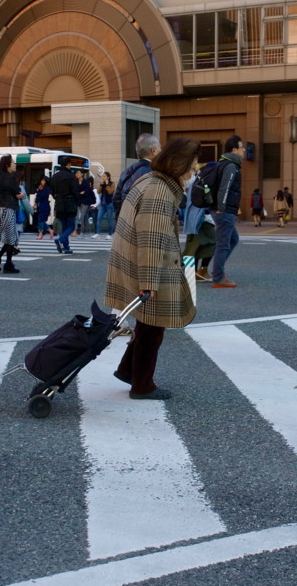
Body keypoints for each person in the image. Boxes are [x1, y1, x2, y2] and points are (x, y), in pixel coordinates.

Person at [105, 137, 199, 400]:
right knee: (153, 327)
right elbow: (151, 238)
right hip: (146, 268)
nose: (192, 174)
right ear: (179, 165)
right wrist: (148, 282)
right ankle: (142, 385)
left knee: (148, 324)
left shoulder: (154, 181)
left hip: (135, 262)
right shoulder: (160, 190)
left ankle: (128, 371)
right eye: (191, 168)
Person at [210, 134, 244, 288]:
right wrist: (222, 209)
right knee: (223, 244)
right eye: (241, 148)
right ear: (234, 149)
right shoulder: (230, 166)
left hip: (225, 210)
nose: (243, 151)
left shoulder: (224, 164)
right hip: (223, 211)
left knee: (233, 240)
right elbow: (225, 188)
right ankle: (218, 276)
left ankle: (218, 270)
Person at [0, 154, 25, 273]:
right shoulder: (9, 177)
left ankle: (1, 260)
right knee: (11, 238)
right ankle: (4, 263)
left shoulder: (2, 176)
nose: (15, 164)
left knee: (11, 238)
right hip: (7, 208)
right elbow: (18, 192)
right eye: (13, 162)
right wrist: (22, 195)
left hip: (1, 208)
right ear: (8, 165)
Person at [113, 133, 160, 215]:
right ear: (154, 151)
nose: (161, 151)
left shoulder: (126, 172)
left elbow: (116, 199)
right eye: (160, 148)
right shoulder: (154, 173)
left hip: (125, 221)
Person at [184, 169, 216, 281]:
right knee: (208, 244)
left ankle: (193, 272)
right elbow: (209, 201)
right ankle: (196, 272)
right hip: (203, 218)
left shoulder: (196, 180)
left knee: (194, 246)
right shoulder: (202, 182)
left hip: (193, 218)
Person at [51, 161, 79, 254]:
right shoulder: (71, 176)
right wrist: (77, 201)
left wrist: (57, 197)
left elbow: (52, 191)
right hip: (70, 203)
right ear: (68, 164)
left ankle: (66, 247)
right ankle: (60, 239)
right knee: (71, 226)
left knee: (64, 226)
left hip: (59, 203)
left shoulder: (55, 176)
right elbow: (74, 191)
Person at [92, 171, 116, 239]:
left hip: (109, 204)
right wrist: (101, 185)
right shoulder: (102, 184)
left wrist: (107, 185)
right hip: (103, 204)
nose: (103, 177)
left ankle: (110, 234)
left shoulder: (112, 184)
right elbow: (98, 192)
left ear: (108, 177)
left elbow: (110, 192)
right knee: (99, 218)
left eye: (104, 176)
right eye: (102, 176)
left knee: (109, 219)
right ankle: (97, 233)